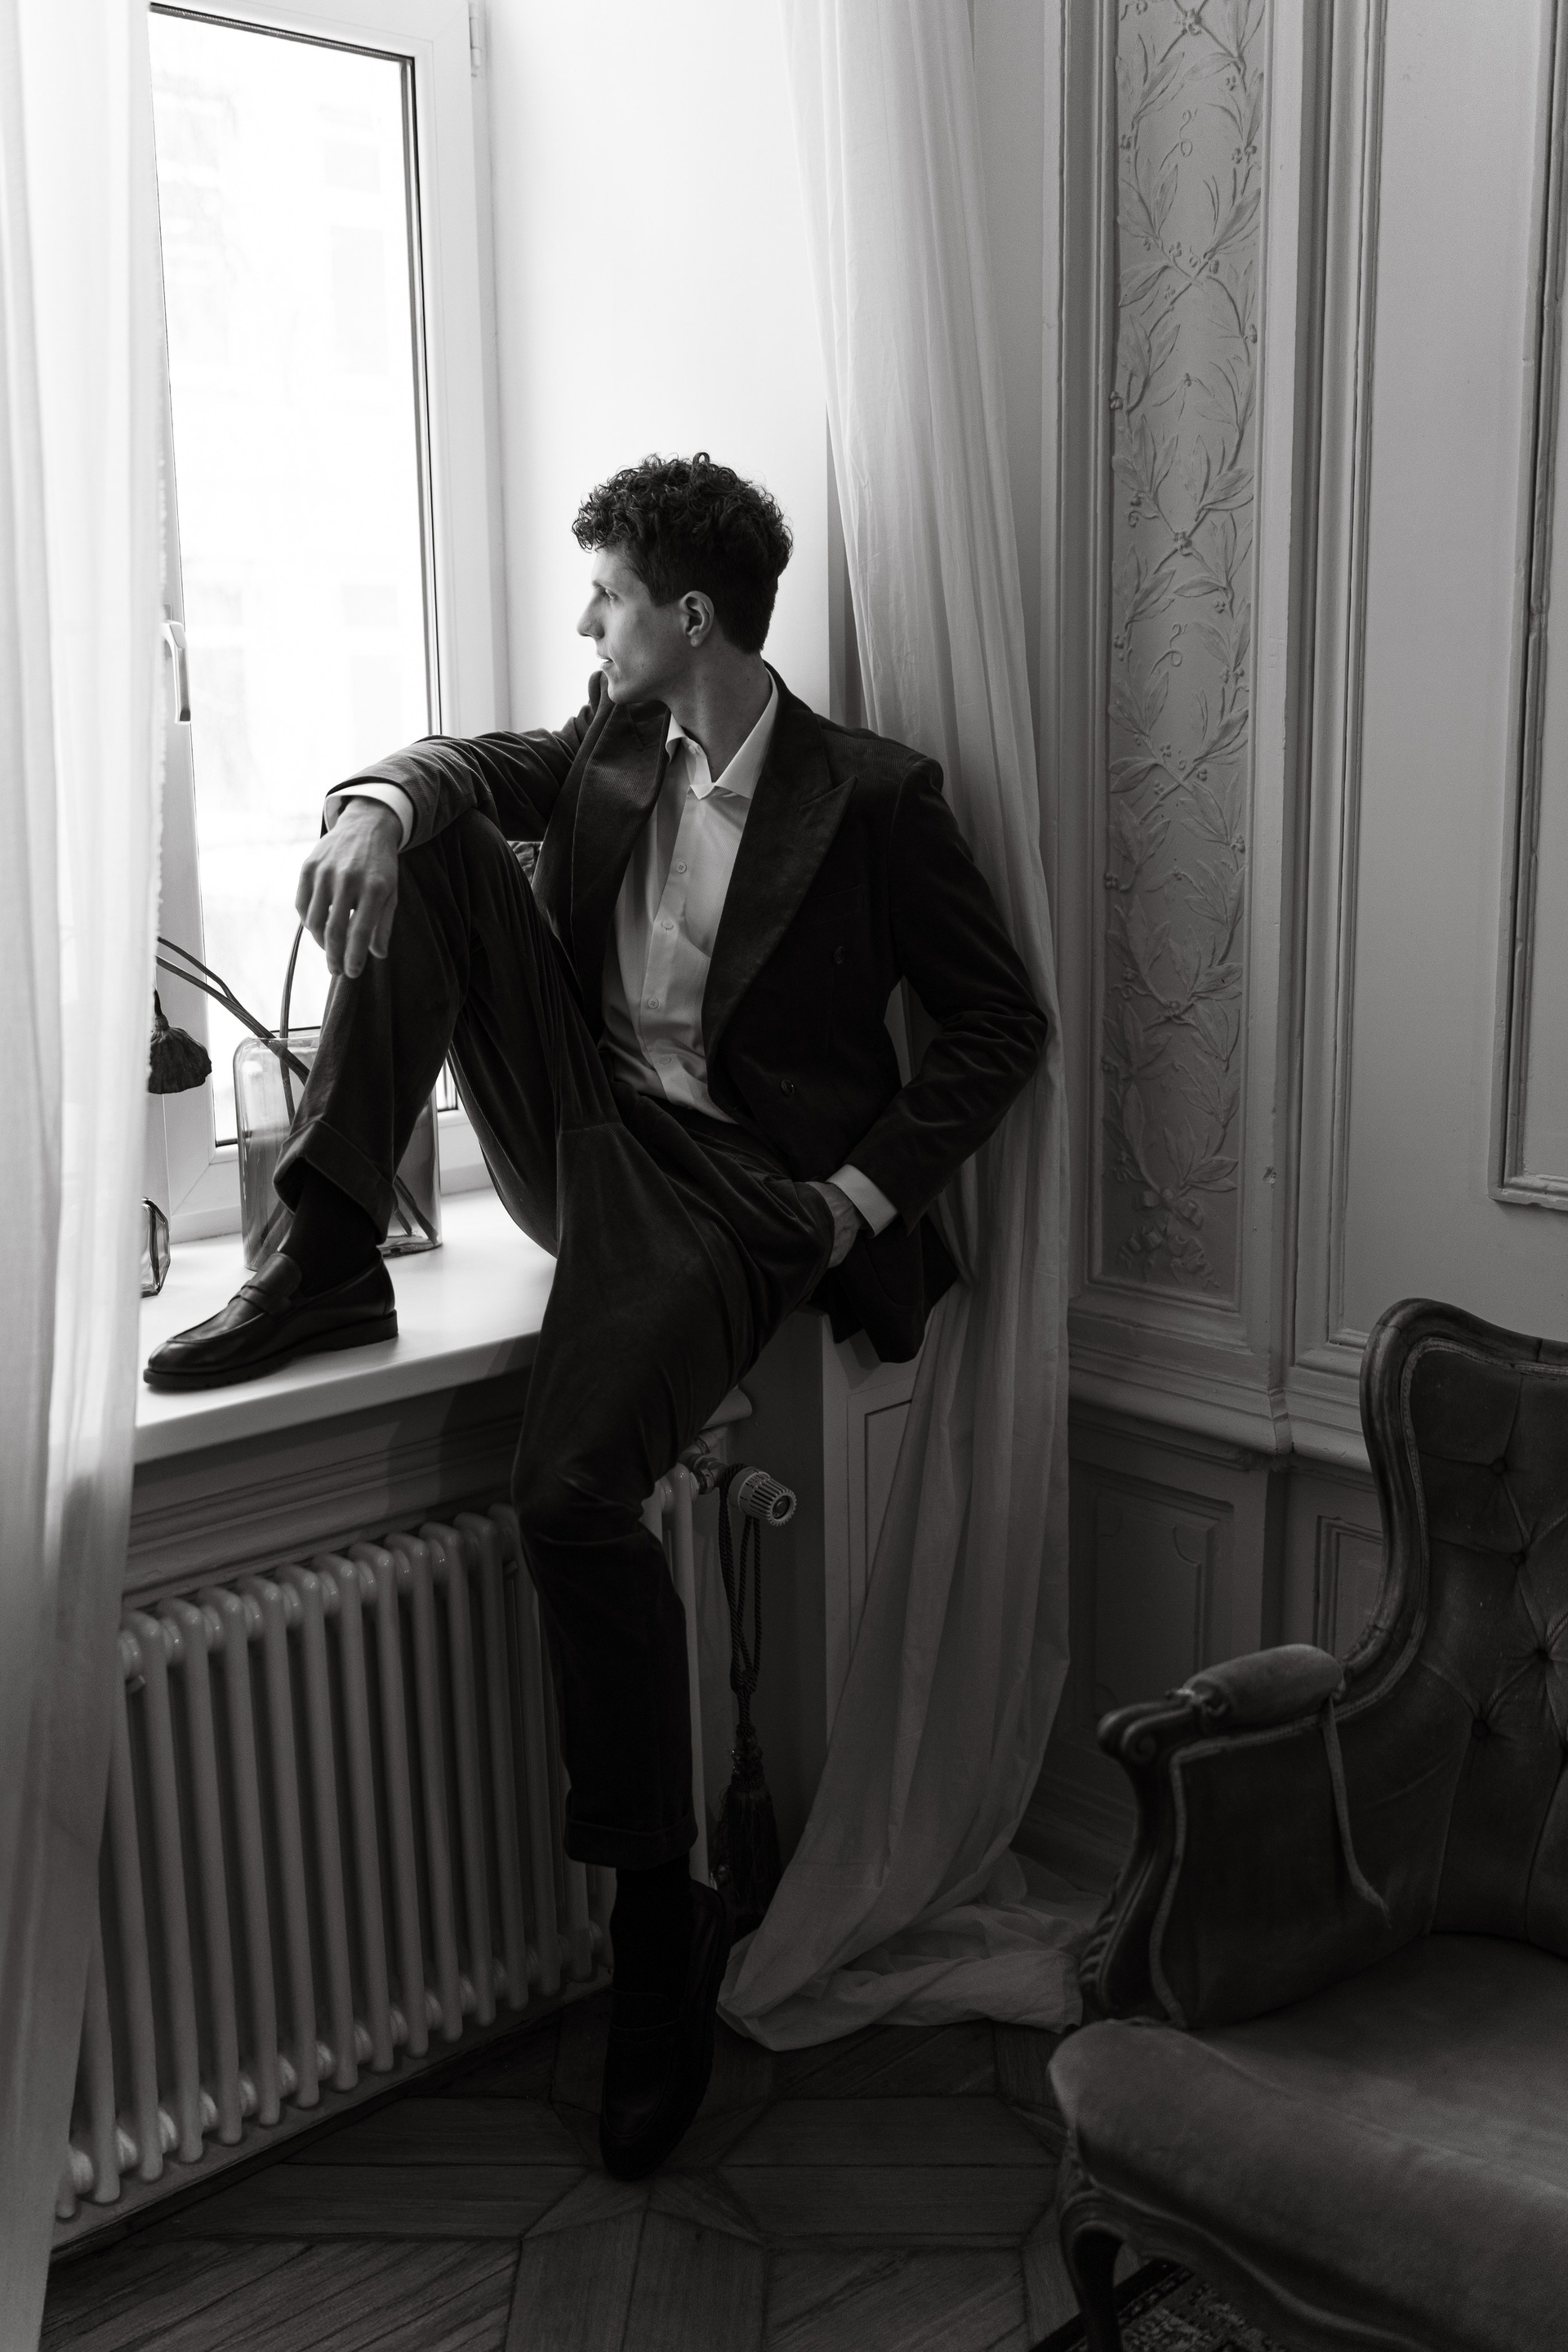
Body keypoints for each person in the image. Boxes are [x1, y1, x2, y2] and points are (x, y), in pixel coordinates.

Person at [145, 452, 1047, 2176]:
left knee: (568, 1494)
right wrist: (376, 805)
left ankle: (659, 1910)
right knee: (437, 850)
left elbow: (1001, 1023)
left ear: (689, 615)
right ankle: (326, 1250)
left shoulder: (872, 800)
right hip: (581, 1130)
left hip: (729, 1192)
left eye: (610, 597)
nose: (586, 622)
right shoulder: (616, 741)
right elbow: (469, 768)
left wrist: (855, 1201)